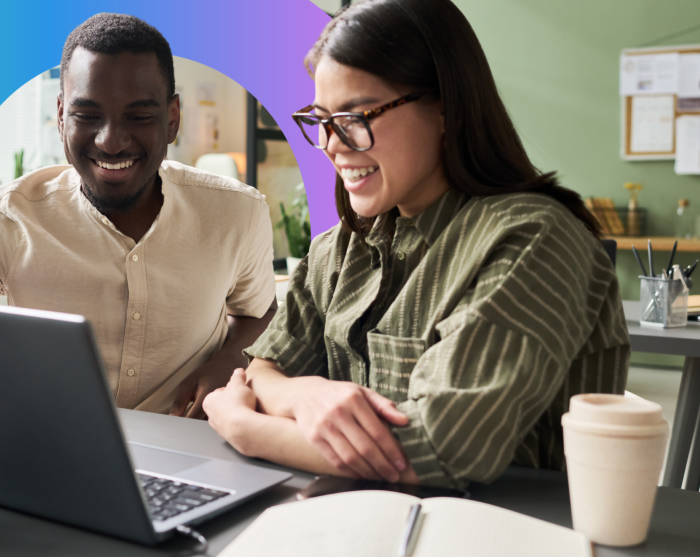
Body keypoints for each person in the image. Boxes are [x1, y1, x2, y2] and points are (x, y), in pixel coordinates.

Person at [202, 0, 629, 488]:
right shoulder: (339, 248)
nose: (333, 144)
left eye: (357, 116)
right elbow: (261, 371)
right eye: (322, 120)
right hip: (351, 527)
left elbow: (442, 449)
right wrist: (303, 395)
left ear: (446, 107)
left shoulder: (533, 239)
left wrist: (246, 428)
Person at [0, 13, 277, 418]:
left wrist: (231, 356)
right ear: (62, 116)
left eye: (139, 116)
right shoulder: (8, 219)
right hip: (51, 450)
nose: (110, 141)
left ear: (172, 119)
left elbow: (258, 311)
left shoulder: (238, 213)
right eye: (87, 115)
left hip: (194, 450)